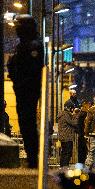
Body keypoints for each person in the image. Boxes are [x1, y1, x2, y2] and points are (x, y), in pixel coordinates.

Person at [7, 15, 44, 168]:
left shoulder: (33, 45)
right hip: (21, 89)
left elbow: (31, 70)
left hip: (28, 90)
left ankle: (33, 159)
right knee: (24, 123)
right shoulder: (23, 45)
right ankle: (32, 158)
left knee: (28, 123)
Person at [58, 101, 79, 167]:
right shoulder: (66, 114)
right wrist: (76, 115)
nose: (72, 110)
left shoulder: (62, 114)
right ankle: (65, 167)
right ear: (69, 108)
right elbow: (74, 123)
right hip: (67, 137)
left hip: (63, 136)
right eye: (72, 108)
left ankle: (62, 167)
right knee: (68, 153)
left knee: (64, 152)